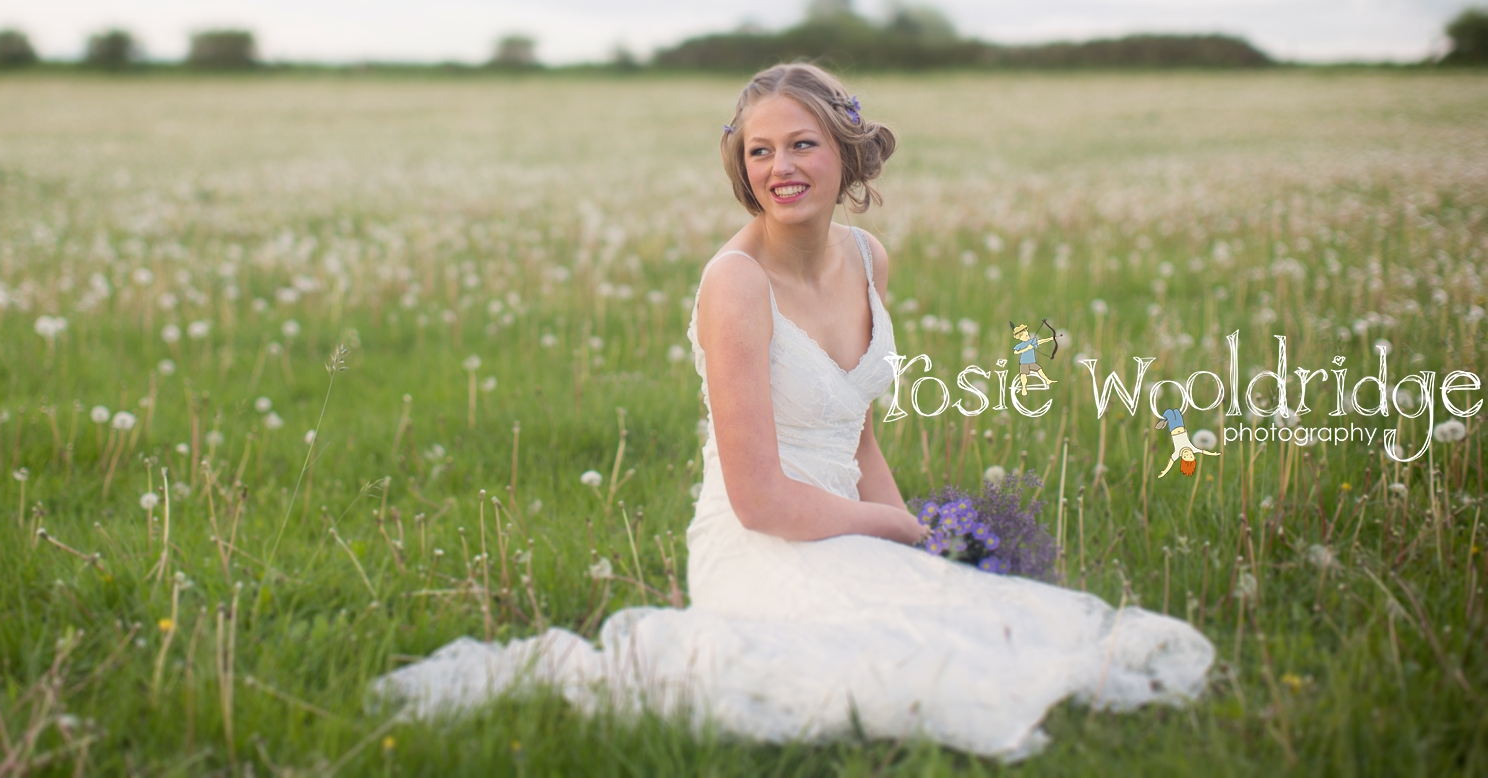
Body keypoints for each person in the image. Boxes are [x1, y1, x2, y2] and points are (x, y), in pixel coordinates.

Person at [374, 63, 1215, 759]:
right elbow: (760, 501)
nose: (781, 166)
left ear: (845, 153)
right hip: (759, 544)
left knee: (994, 627)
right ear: (742, 167)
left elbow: (860, 440)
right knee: (904, 664)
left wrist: (922, 548)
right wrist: (894, 530)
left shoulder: (868, 258)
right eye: (761, 150)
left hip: (844, 521)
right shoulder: (734, 283)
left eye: (803, 144)